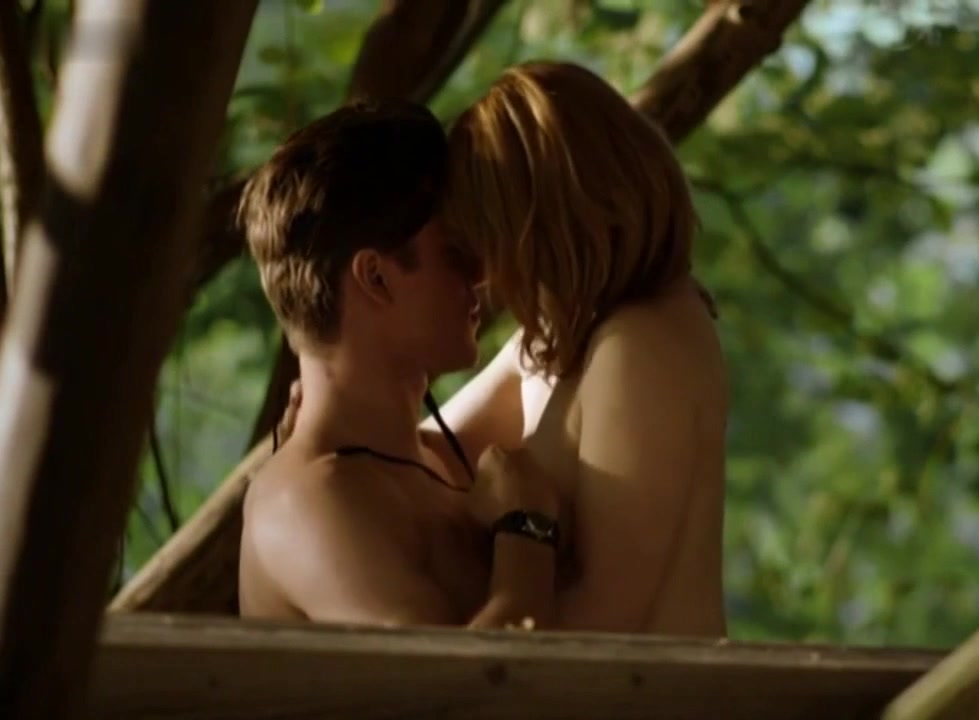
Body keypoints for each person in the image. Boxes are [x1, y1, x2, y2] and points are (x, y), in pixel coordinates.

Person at [235, 99, 562, 630]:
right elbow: (451, 678)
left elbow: (552, 337)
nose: (482, 274)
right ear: (376, 278)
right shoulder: (309, 500)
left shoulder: (428, 457)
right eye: (456, 252)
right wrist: (528, 530)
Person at [430, 60, 730, 637]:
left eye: (485, 242)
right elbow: (426, 457)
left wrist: (520, 526)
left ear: (540, 224)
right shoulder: (561, 335)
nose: (484, 276)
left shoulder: (638, 348)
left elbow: (604, 620)